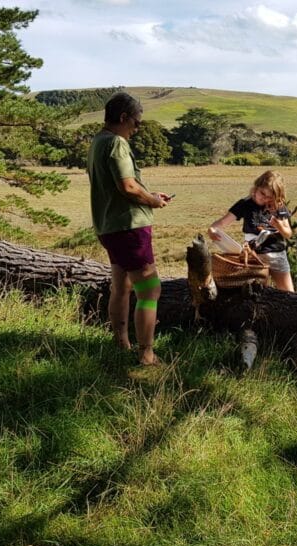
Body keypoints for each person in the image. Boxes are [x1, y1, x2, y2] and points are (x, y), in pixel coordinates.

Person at [88, 92, 171, 365]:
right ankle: (146, 353)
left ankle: (121, 342)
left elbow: (120, 185)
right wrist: (153, 201)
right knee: (149, 289)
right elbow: (127, 186)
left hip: (109, 225)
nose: (137, 129)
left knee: (120, 285)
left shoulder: (98, 141)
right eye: (136, 122)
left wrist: (149, 194)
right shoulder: (116, 143)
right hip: (129, 227)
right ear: (123, 118)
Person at [208, 170, 294, 292]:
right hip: (253, 257)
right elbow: (221, 223)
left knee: (288, 293)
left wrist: (278, 225)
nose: (264, 199)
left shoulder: (278, 206)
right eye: (262, 193)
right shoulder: (245, 204)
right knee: (259, 294)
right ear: (256, 188)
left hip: (277, 255)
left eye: (269, 197)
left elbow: (288, 234)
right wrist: (212, 229)